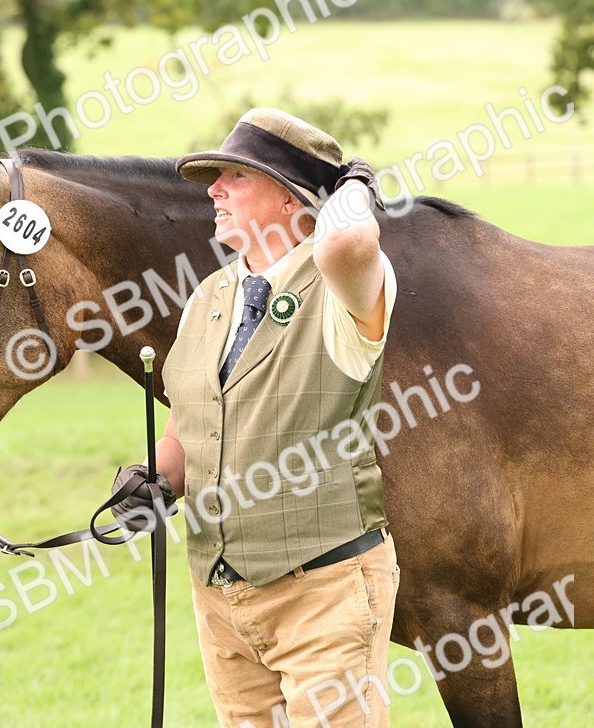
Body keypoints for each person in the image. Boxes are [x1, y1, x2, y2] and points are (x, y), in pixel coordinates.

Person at [110, 108, 399, 727]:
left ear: (293, 197)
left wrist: (351, 184)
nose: (213, 189)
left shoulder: (347, 286)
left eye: (235, 176)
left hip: (324, 589)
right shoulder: (206, 298)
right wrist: (155, 478)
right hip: (221, 596)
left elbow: (347, 239)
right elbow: (189, 429)